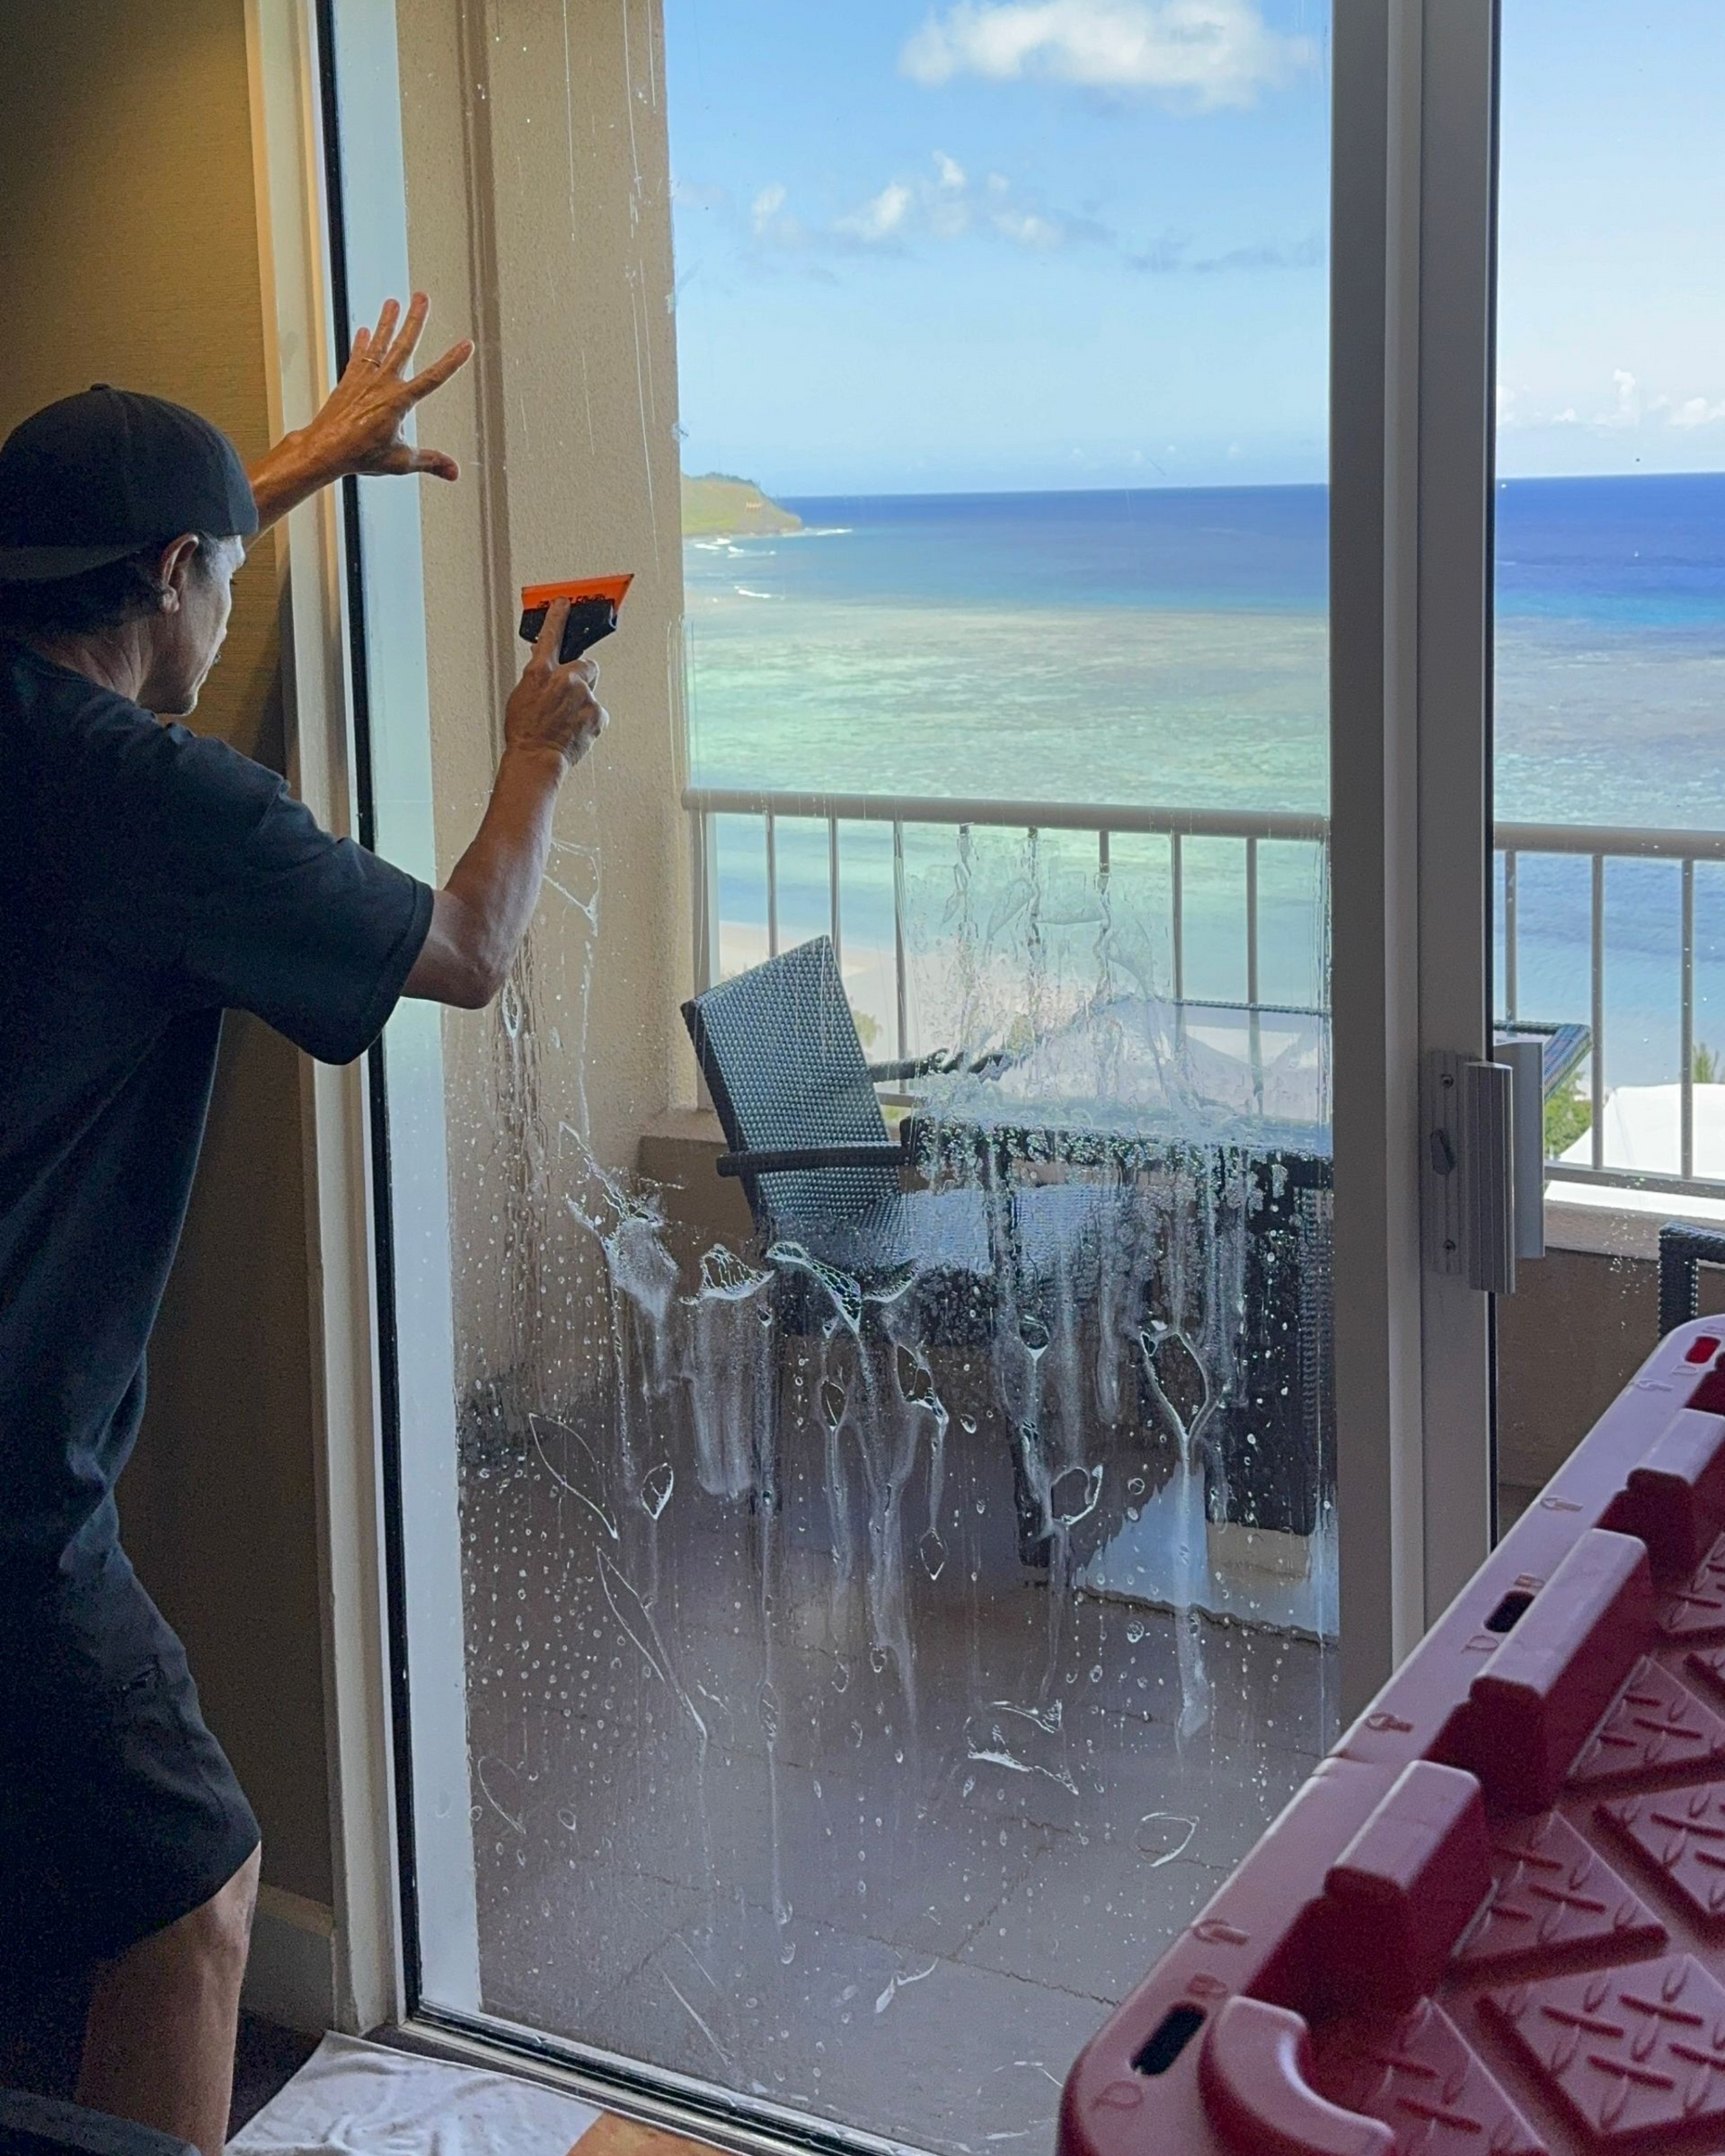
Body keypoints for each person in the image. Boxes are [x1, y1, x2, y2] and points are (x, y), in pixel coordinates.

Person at [0, 296, 606, 2156]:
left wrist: (294, 462)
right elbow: (467, 947)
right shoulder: (160, 805)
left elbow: (131, 554)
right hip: (10, 1487)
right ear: (172, 574)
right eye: (223, 578)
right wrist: (542, 741)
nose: (232, 618)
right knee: (194, 1900)